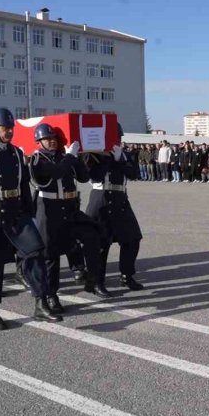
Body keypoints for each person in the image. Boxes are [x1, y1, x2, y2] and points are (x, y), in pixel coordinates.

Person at [0, 107, 54, 330]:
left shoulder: (15, 153)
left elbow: (23, 186)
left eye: (11, 128)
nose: (10, 132)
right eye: (6, 129)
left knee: (35, 252)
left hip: (17, 214)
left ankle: (41, 301)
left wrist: (31, 215)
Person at [30, 124, 111, 299]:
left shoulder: (65, 156)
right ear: (39, 142)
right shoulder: (37, 159)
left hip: (70, 209)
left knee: (93, 236)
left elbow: (83, 177)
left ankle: (94, 281)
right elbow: (57, 172)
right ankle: (51, 297)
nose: (52, 141)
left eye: (54, 138)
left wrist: (77, 159)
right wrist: (69, 157)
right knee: (51, 255)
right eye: (48, 139)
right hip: (49, 211)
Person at [85, 124, 145, 291]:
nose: (117, 141)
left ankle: (127, 275)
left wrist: (119, 159)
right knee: (101, 244)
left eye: (118, 138)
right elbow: (94, 176)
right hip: (101, 199)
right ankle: (97, 281)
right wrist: (107, 157)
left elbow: (133, 174)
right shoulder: (95, 155)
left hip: (120, 199)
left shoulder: (124, 155)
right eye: (113, 138)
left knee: (132, 238)